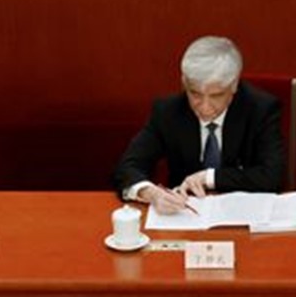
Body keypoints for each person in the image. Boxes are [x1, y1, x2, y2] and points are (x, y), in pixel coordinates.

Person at [113, 36, 284, 214]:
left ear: (234, 86)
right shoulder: (168, 112)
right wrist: (151, 193)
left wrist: (209, 177)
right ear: (184, 83)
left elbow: (273, 176)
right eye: (195, 94)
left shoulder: (260, 109)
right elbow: (127, 167)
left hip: (244, 218)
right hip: (183, 216)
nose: (204, 106)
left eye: (216, 95)